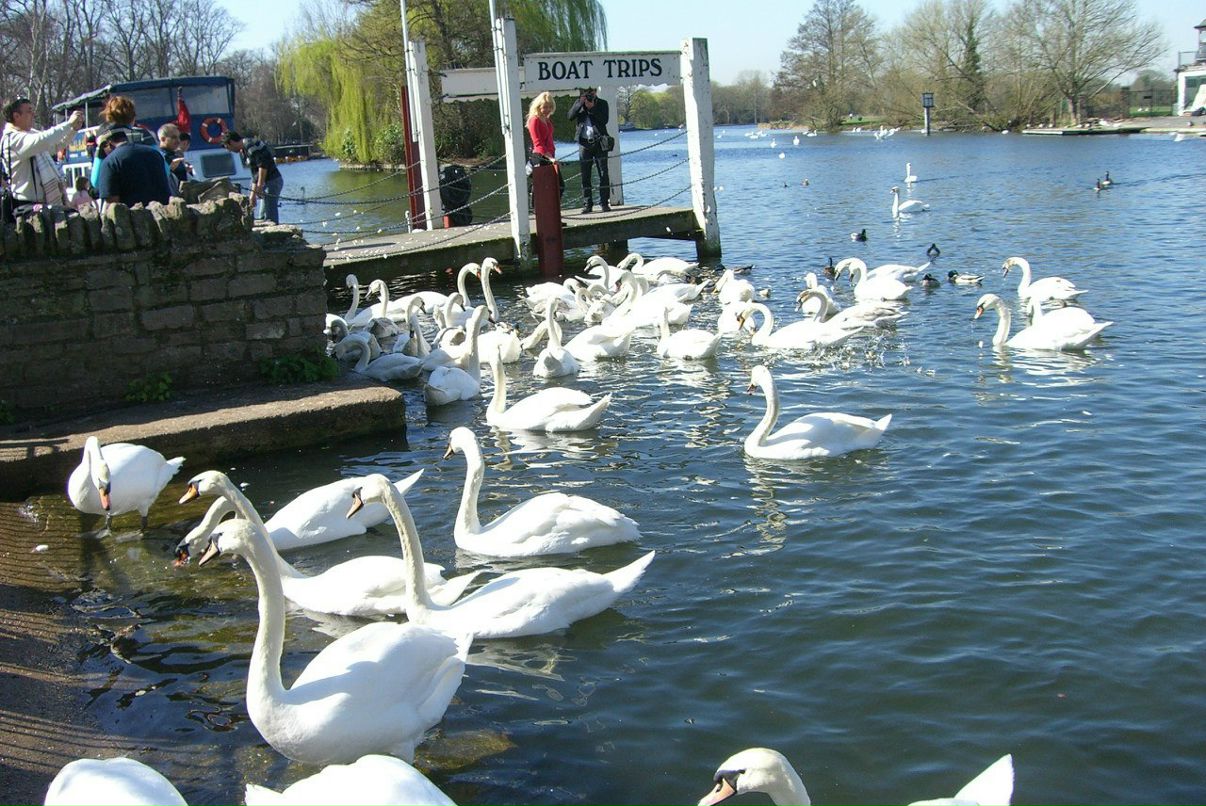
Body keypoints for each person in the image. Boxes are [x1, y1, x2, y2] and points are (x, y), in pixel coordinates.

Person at [1, 97, 84, 210]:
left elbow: (55, 146)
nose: (33, 114)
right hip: (27, 206)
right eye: (29, 111)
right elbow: (44, 140)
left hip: (42, 204)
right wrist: (68, 124)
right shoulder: (12, 139)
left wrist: (73, 130)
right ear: (16, 116)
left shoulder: (30, 134)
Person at [94, 125, 172, 208]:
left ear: (108, 144)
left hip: (134, 217)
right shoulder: (154, 153)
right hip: (163, 214)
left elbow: (112, 204)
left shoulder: (110, 161)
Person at [221, 130, 283, 223]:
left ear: (232, 142)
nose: (229, 150)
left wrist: (259, 186)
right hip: (264, 181)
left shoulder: (251, 146)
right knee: (262, 215)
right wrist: (253, 195)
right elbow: (255, 173)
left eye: (228, 147)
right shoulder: (244, 150)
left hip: (272, 180)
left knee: (270, 212)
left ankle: (275, 231)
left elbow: (263, 166)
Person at [567, 86, 611, 213]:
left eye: (591, 92)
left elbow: (604, 120)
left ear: (595, 92)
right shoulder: (578, 103)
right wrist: (580, 104)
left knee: (603, 173)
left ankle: (604, 203)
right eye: (586, 92)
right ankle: (587, 204)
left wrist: (592, 108)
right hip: (584, 143)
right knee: (585, 175)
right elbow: (570, 116)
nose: (588, 95)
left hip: (599, 142)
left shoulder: (602, 103)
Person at [525, 91, 563, 197]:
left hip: (550, 155)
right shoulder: (534, 120)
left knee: (558, 186)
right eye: (545, 107)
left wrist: (552, 156)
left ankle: (552, 211)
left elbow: (549, 139)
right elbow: (538, 143)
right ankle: (538, 210)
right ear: (538, 107)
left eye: (550, 107)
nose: (547, 110)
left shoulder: (547, 120)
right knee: (542, 187)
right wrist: (550, 158)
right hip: (540, 156)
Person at [157, 123, 188, 189]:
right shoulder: (159, 157)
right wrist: (170, 169)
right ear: (163, 139)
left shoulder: (175, 155)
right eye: (174, 137)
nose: (178, 141)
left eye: (179, 137)